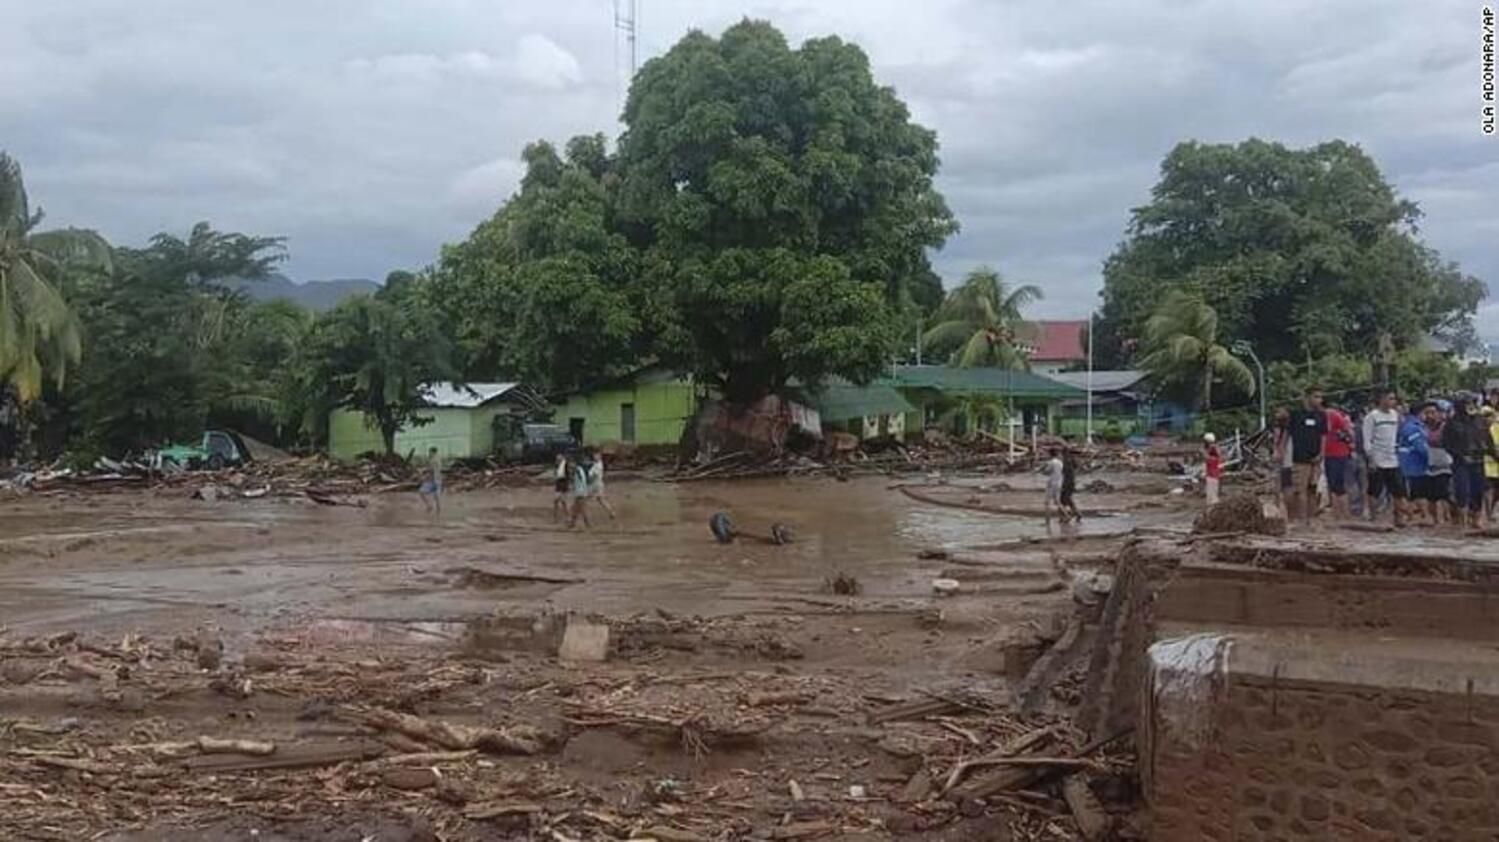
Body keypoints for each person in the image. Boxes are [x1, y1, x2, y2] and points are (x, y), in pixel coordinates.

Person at [1442, 394, 1499, 528]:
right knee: (1462, 491)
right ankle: (1463, 522)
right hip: (1461, 462)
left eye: (1472, 403)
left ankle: (1476, 520)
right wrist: (1459, 455)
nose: (1471, 406)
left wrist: (1494, 455)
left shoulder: (1480, 421)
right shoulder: (1452, 423)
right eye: (1467, 403)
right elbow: (1447, 444)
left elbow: (1488, 441)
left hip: (1478, 461)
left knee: (1478, 491)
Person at [1362, 391, 1404, 526]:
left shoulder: (1395, 415)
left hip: (1392, 458)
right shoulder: (1372, 417)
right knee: (1375, 490)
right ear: (1382, 399)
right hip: (1377, 458)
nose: (1393, 401)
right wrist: (1371, 458)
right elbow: (1367, 439)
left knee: (1398, 490)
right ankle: (1374, 516)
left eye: (1394, 399)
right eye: (1390, 398)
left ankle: (1399, 517)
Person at [1289, 387, 1328, 525]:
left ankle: (1312, 519)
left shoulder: (1321, 415)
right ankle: (1301, 519)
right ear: (1307, 397)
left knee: (1313, 489)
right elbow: (1288, 435)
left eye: (1320, 397)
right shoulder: (1295, 414)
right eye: (1316, 397)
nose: (1319, 400)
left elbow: (1324, 435)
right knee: (1300, 490)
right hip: (1300, 457)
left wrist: (1322, 453)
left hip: (1316, 458)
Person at [1397, 402, 1429, 526]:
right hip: (1413, 465)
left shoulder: (1411, 425)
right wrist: (1431, 458)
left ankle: (1415, 517)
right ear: (1421, 413)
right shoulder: (1412, 427)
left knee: (1415, 493)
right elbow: (1421, 447)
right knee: (1416, 493)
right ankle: (1415, 518)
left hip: (1413, 464)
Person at [1424, 401, 1455, 526]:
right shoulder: (1423, 428)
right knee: (1431, 497)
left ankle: (1450, 519)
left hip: (1445, 466)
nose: (1430, 415)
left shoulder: (1446, 427)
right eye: (1427, 413)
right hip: (1429, 466)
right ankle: (1436, 521)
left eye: (1433, 412)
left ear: (1439, 414)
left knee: (1445, 495)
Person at [1323, 401, 1354, 520]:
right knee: (1334, 484)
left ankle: (1341, 514)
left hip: (1336, 454)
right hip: (1332, 453)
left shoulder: (1332, 415)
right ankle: (1339, 514)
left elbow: (1348, 433)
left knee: (1337, 485)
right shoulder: (1336, 416)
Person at [585, 448, 617, 520]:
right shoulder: (596, 464)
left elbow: (594, 476)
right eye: (594, 455)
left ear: (600, 456)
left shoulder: (598, 465)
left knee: (584, 499)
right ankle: (611, 512)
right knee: (601, 499)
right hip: (598, 484)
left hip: (595, 484)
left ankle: (585, 515)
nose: (594, 456)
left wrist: (588, 481)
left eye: (596, 455)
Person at [1271, 407, 1293, 507]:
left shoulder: (1288, 430)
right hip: (1284, 461)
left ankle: (1284, 507)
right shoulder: (1279, 429)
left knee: (1286, 486)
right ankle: (1279, 506)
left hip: (1287, 461)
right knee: (1281, 485)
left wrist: (1279, 453)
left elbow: (1280, 444)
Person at [567, 453, 592, 529]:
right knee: (576, 509)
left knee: (581, 509)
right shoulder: (580, 469)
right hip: (580, 492)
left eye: (571, 463)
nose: (570, 466)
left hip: (580, 492)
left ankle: (587, 524)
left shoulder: (577, 470)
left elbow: (574, 477)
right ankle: (573, 523)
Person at [418, 446, 443, 517]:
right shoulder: (437, 459)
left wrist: (423, 472)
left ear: (433, 452)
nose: (429, 453)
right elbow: (433, 470)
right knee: (435, 496)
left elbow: (431, 470)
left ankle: (432, 507)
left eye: (430, 452)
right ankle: (436, 510)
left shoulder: (434, 460)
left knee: (422, 492)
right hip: (436, 480)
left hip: (434, 480)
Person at [1043, 446, 1064, 529]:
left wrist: (1043, 469)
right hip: (1059, 482)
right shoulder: (1060, 462)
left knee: (1047, 503)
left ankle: (1047, 522)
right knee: (1057, 502)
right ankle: (1067, 516)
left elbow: (1047, 472)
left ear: (1050, 454)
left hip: (1052, 484)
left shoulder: (1051, 463)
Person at [1059, 447, 1082, 523]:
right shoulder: (1071, 460)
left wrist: (1063, 485)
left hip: (1067, 483)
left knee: (1063, 500)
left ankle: (1065, 516)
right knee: (1067, 499)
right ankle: (1075, 513)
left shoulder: (1065, 462)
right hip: (1071, 482)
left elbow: (1064, 474)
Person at [1485, 406, 1499, 520]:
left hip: (1495, 465)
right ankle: (1488, 513)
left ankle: (1492, 512)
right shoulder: (1490, 429)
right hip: (1487, 465)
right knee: (1488, 490)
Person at [1202, 432, 1223, 506]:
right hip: (1214, 476)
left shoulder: (1211, 458)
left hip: (1212, 476)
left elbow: (1205, 455)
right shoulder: (1216, 458)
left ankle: (1213, 507)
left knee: (1211, 495)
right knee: (1213, 493)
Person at [552, 452, 570, 522]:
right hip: (558, 484)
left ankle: (567, 516)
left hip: (563, 484)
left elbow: (567, 475)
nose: (557, 458)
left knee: (563, 501)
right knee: (556, 501)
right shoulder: (557, 465)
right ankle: (556, 517)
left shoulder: (566, 464)